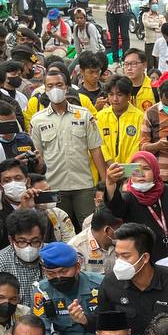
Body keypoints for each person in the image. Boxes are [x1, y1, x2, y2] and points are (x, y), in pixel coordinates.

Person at [28, 65, 107, 228]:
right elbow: (37, 156)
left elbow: (95, 150)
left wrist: (105, 182)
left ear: (67, 88)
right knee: (59, 230)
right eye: (50, 86)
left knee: (89, 228)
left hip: (83, 185)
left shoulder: (84, 115)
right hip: (53, 187)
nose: (55, 89)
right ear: (45, 90)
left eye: (59, 85)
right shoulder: (37, 120)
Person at [103, 150, 168, 261]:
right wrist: (110, 183)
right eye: (136, 170)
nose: (142, 174)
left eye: (147, 169)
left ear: (155, 170)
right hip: (145, 255)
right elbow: (116, 208)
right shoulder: (128, 197)